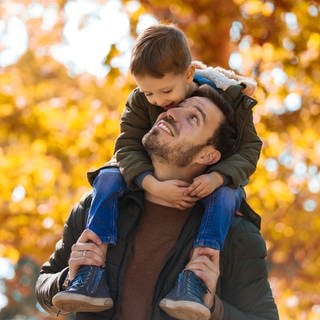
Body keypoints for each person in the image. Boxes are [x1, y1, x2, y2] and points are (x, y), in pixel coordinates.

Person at [50, 24, 262, 319]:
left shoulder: (239, 236)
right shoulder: (90, 207)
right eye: (149, 93)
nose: (162, 105)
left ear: (188, 75)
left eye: (166, 92)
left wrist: (215, 309)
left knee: (227, 195)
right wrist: (63, 279)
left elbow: (250, 149)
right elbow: (124, 145)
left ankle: (196, 278)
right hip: (135, 175)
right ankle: (89, 275)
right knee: (107, 177)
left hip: (216, 185)